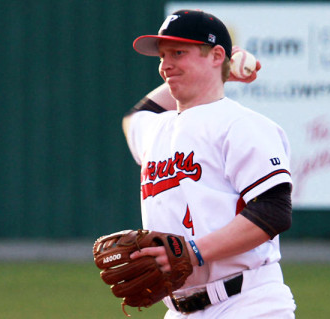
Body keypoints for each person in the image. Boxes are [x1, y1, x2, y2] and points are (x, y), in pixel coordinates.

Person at [122, 9, 296, 318]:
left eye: (179, 52)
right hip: (179, 310)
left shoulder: (242, 125)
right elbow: (137, 115)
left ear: (215, 54)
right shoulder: (156, 130)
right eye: (162, 56)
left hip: (248, 304)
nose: (166, 65)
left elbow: (273, 211)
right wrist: (225, 69)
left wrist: (191, 253)